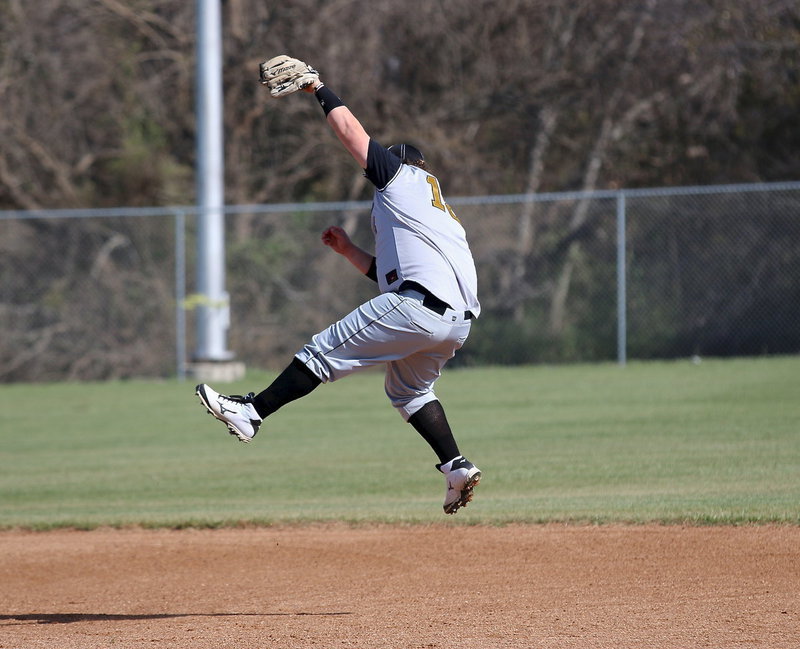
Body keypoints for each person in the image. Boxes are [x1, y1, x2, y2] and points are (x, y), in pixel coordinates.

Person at [195, 68, 482, 515]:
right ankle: (455, 465)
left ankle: (251, 414)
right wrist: (349, 251)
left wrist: (317, 88)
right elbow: (393, 277)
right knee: (409, 393)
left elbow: (351, 131)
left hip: (419, 310)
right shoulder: (440, 217)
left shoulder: (402, 179)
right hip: (454, 324)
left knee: (322, 352)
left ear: (401, 163)